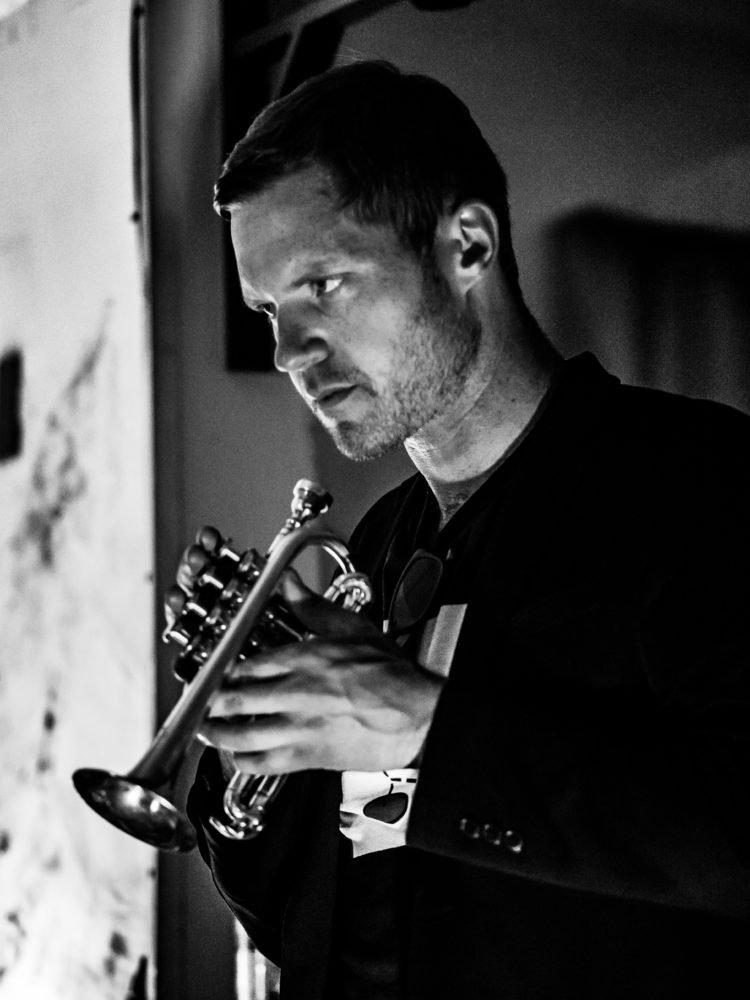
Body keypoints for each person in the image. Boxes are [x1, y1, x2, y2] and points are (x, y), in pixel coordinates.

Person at [167, 61, 750, 999]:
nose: (287, 351)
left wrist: (431, 736)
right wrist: (253, 741)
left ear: (466, 245)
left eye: (325, 282)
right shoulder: (373, 545)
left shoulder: (701, 481)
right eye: (270, 309)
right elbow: (304, 923)